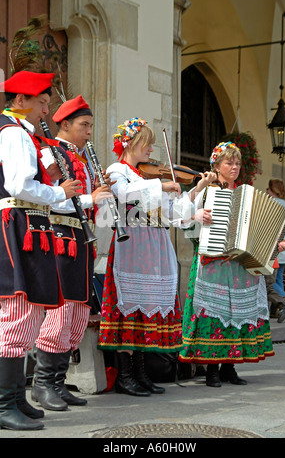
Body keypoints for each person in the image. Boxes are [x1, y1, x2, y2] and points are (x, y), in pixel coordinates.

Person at [97, 117, 215, 396]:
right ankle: (125, 376)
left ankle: (140, 373)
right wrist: (160, 186)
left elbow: (174, 214)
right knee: (130, 309)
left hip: (155, 246)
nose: (151, 150)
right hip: (134, 244)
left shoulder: (146, 175)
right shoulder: (118, 170)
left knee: (143, 311)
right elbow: (123, 195)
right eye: (147, 144)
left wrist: (195, 189)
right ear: (131, 144)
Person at [0, 71, 82, 430]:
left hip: (28, 222)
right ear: (21, 101)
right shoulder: (15, 132)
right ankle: (4, 403)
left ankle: (16, 397)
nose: (46, 112)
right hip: (17, 221)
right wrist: (59, 193)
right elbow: (19, 184)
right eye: (42, 103)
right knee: (17, 310)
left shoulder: (23, 133)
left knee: (29, 310)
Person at [179, 142, 285, 387]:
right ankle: (212, 370)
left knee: (237, 314)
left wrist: (274, 246)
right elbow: (185, 221)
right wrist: (198, 217)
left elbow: (256, 233)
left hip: (239, 267)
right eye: (229, 162)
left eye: (237, 163)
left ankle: (229, 368)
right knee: (216, 316)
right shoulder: (205, 191)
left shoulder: (245, 195)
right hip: (213, 264)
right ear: (216, 165)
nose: (234, 167)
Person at [31, 95, 113, 411]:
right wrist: (92, 199)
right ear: (64, 124)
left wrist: (102, 196)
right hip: (59, 236)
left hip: (81, 239)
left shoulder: (83, 158)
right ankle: (42, 384)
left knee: (78, 312)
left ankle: (58, 381)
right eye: (84, 125)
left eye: (90, 125)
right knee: (62, 309)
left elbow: (88, 201)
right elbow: (51, 199)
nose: (89, 131)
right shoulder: (49, 153)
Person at [266, 179, 285, 320]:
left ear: (272, 190)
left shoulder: (274, 203)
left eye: (268, 189)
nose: (266, 191)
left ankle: (283, 298)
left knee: (272, 281)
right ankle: (275, 311)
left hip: (278, 244)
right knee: (278, 278)